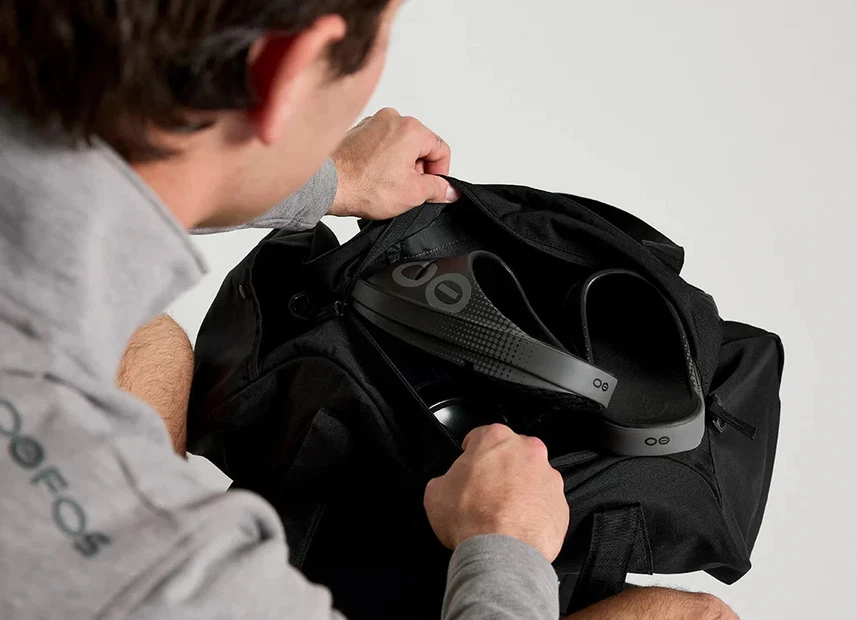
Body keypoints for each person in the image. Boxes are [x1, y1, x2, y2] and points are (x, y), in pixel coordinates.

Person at [0, 0, 738, 618]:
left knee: (146, 339)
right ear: (286, 70)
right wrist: (504, 544)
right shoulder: (171, 582)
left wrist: (325, 178)